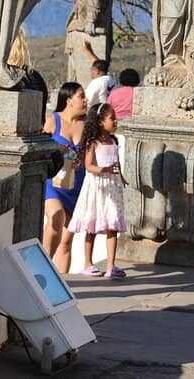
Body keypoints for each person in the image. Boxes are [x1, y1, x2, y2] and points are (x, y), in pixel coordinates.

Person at [68, 104, 128, 279]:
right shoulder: (93, 143)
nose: (115, 121)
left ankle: (110, 266)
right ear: (101, 122)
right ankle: (88, 263)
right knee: (92, 226)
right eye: (112, 118)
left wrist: (121, 177)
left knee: (112, 226)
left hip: (112, 188)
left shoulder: (113, 141)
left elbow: (116, 163)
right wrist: (105, 170)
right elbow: (89, 166)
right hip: (97, 188)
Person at [41, 82, 88, 273]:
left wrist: (81, 160)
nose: (86, 100)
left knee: (67, 241)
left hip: (76, 184)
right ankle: (42, 270)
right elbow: (39, 146)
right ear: (69, 100)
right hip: (53, 182)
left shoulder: (86, 126)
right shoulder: (52, 121)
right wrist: (57, 149)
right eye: (81, 96)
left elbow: (89, 155)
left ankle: (62, 283)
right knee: (55, 217)